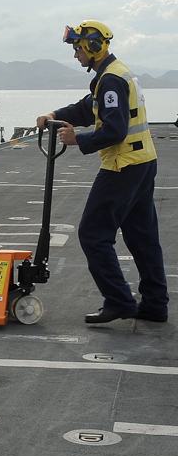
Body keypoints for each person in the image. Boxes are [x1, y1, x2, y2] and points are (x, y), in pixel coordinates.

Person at [36, 20, 168, 324]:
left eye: (77, 48)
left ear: (93, 46)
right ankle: (155, 304)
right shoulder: (113, 74)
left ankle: (119, 300)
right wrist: (55, 115)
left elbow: (116, 129)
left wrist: (77, 139)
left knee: (93, 234)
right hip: (143, 162)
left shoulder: (110, 80)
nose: (75, 55)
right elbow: (88, 108)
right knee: (143, 238)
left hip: (122, 166)